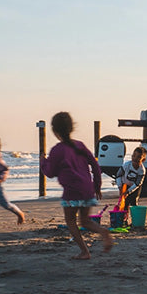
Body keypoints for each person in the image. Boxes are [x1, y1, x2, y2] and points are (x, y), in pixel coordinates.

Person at [40, 111, 113, 260]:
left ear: (54, 131)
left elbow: (50, 172)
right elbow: (95, 164)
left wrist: (43, 162)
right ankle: (103, 231)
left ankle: (85, 251)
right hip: (87, 189)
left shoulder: (57, 150)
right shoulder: (79, 145)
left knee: (71, 221)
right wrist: (97, 186)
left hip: (72, 191)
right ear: (71, 128)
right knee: (85, 220)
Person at [114, 147, 147, 215]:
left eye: (138, 157)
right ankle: (124, 218)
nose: (135, 158)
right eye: (134, 155)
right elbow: (118, 175)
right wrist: (120, 187)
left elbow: (138, 184)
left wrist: (128, 192)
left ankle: (134, 219)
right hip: (124, 185)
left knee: (134, 202)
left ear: (143, 160)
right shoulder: (126, 165)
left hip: (135, 187)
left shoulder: (142, 170)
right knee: (125, 203)